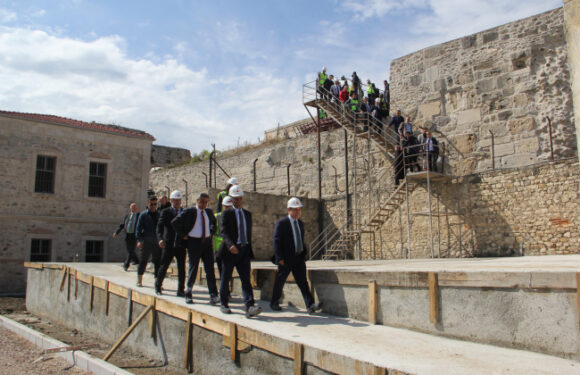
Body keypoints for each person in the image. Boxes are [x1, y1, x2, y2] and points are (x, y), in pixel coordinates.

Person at [270, 198, 323, 314]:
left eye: (299, 210)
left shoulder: (300, 223)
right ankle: (274, 302)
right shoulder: (282, 223)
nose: (298, 212)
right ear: (289, 210)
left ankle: (310, 305)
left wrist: (303, 253)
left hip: (298, 258)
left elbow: (300, 239)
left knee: (303, 282)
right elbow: (276, 240)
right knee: (280, 281)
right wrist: (279, 258)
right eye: (295, 210)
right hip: (286, 259)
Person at [217, 185, 262, 318]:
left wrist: (247, 247)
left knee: (246, 279)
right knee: (226, 278)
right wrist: (230, 245)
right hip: (230, 251)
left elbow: (247, 232)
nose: (237, 201)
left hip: (244, 250)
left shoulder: (247, 214)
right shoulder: (226, 214)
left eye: (239, 198)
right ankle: (224, 303)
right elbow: (223, 232)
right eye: (235, 199)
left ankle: (249, 306)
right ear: (231, 199)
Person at [172, 193, 219, 305]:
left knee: (209, 269)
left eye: (206, 202)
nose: (204, 204)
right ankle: (188, 293)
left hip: (207, 243)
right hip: (194, 242)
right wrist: (183, 234)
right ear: (197, 201)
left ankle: (213, 295)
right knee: (193, 268)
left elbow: (213, 222)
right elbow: (175, 222)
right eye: (202, 201)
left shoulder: (208, 212)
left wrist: (211, 231)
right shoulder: (190, 211)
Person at [155, 190, 186, 296]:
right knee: (164, 265)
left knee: (181, 268)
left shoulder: (183, 212)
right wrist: (160, 238)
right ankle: (158, 286)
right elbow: (159, 226)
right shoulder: (166, 212)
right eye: (174, 200)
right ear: (171, 201)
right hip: (169, 243)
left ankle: (181, 289)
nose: (176, 202)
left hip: (181, 244)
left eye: (178, 200)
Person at [135, 196, 162, 287]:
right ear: (148, 204)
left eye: (155, 204)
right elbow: (138, 229)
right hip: (146, 242)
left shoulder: (159, 215)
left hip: (156, 242)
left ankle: (157, 282)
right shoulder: (143, 215)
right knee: (143, 261)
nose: (153, 206)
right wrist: (139, 240)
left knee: (157, 262)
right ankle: (139, 279)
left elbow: (161, 229)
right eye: (151, 204)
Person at [214, 195, 233, 296]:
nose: (228, 208)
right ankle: (225, 293)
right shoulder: (217, 216)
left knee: (227, 273)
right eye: (226, 206)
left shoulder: (235, 216)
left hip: (229, 248)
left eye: (230, 207)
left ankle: (226, 292)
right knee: (222, 272)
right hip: (219, 248)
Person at [113, 202, 140, 271]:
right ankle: (137, 260)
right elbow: (122, 225)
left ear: (136, 208)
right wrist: (116, 232)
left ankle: (126, 264)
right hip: (127, 235)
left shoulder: (138, 215)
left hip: (134, 235)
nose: (133, 208)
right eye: (132, 207)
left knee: (130, 251)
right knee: (130, 250)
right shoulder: (127, 216)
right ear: (130, 208)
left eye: (134, 207)